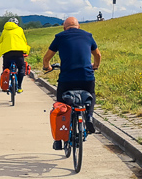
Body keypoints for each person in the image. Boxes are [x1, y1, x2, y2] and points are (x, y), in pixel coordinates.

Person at [43, 17, 102, 150]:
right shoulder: (88, 36)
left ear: (64, 28)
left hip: (67, 80)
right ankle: (89, 116)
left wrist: (47, 67)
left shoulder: (60, 37)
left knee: (60, 106)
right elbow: (97, 55)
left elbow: (47, 57)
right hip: (86, 78)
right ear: (78, 26)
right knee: (91, 94)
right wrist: (95, 66)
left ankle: (58, 140)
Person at [0, 18, 31, 93]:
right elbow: (24, 41)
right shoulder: (20, 30)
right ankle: (19, 87)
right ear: (17, 24)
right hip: (18, 52)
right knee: (21, 68)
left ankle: (5, 85)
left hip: (8, 53)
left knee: (5, 68)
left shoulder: (4, 30)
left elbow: (1, 42)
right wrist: (25, 51)